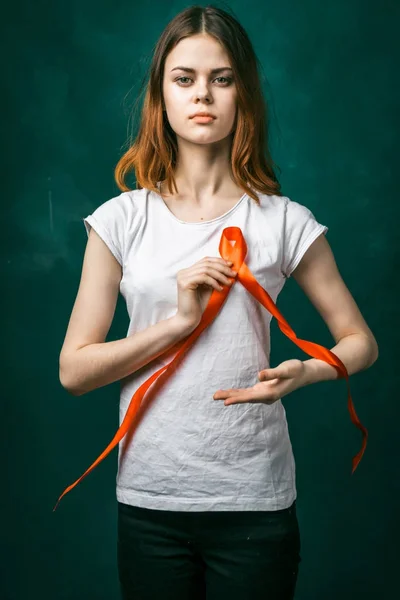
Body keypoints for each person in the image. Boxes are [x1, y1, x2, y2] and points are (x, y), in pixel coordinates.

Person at [59, 5, 379, 599]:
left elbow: (362, 343)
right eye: (184, 79)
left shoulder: (285, 221)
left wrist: (304, 372)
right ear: (162, 95)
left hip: (255, 501)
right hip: (151, 501)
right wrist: (180, 322)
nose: (202, 94)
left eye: (222, 78)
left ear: (243, 93)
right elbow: (74, 372)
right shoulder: (121, 219)